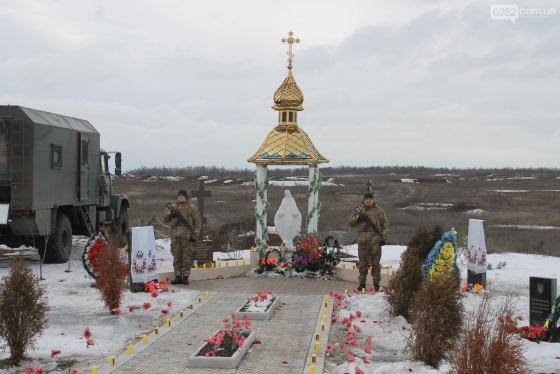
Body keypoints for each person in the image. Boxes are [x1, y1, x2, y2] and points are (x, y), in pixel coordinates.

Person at [348, 192, 389, 292]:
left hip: (375, 241)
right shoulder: (359, 211)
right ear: (364, 200)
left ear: (373, 200)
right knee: (363, 263)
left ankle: (376, 284)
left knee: (376, 263)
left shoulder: (379, 211)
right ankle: (362, 284)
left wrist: (384, 237)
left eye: (370, 199)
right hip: (362, 241)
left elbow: (386, 224)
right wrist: (358, 218)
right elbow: (350, 223)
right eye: (366, 199)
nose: (368, 200)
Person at [163, 190, 201, 285]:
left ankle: (185, 277)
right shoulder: (172, 207)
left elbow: (197, 222)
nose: (180, 197)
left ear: (186, 197)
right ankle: (178, 276)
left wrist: (195, 234)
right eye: (179, 195)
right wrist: (171, 214)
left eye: (182, 196)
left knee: (186, 257)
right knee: (176, 257)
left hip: (186, 236)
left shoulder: (191, 208)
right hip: (175, 236)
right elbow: (165, 219)